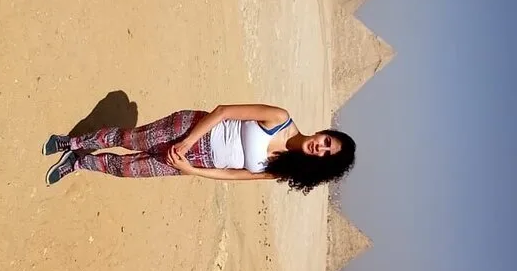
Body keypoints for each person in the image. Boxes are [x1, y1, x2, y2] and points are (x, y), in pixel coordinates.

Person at [42, 104, 356, 194]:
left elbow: (232, 176)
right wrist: (188, 141)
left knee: (128, 169)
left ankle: (78, 162)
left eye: (326, 155)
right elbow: (223, 111)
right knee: (129, 140)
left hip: (193, 163)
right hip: (190, 131)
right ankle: (73, 143)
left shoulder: (282, 169)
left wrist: (190, 170)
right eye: (327, 142)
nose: (320, 148)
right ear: (324, 133)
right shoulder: (280, 119)